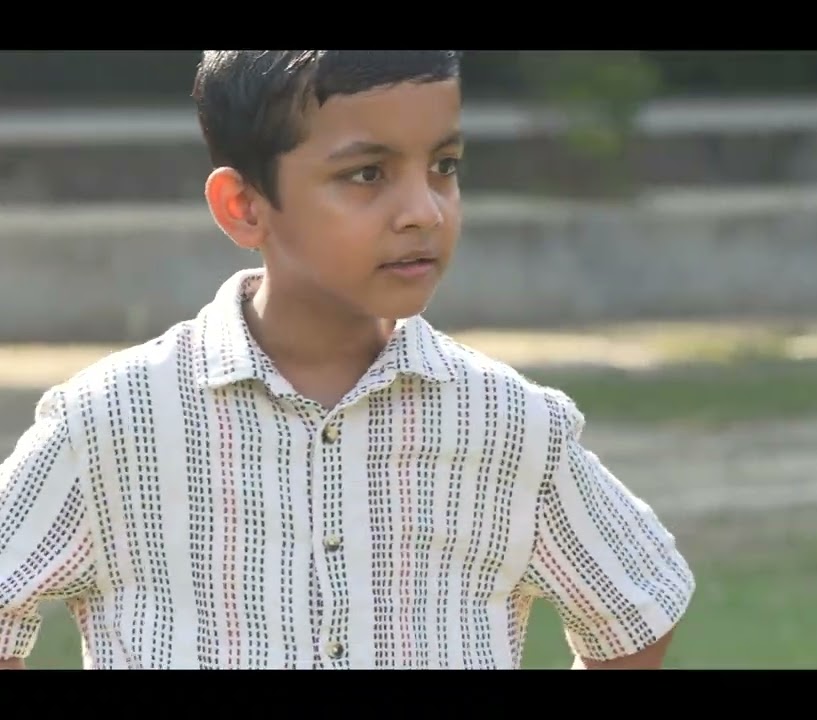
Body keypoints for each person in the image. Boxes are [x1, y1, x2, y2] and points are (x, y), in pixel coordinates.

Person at [0, 50, 695, 670]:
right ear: (244, 206)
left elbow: (634, 609)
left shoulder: (511, 423)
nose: (424, 210)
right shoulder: (110, 422)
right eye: (367, 174)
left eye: (444, 167)